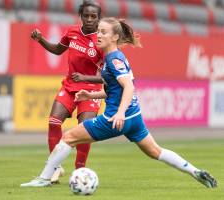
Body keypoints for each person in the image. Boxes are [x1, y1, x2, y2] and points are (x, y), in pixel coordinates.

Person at [20, 17, 217, 188]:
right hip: (134, 117)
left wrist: (120, 113)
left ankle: (45, 178)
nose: (98, 35)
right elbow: (115, 91)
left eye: (103, 32)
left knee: (68, 137)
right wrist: (90, 96)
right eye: (98, 31)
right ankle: (196, 172)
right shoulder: (110, 59)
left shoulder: (113, 59)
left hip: (115, 118)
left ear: (114, 37)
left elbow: (129, 87)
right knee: (156, 151)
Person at [30, 0, 103, 183]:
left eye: (93, 16)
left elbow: (107, 77)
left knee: (84, 129)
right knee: (54, 122)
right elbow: (57, 50)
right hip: (70, 86)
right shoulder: (72, 32)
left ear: (98, 19)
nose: (89, 19)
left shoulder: (101, 42)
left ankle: (80, 170)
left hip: (91, 90)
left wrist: (85, 78)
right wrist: (40, 39)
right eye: (85, 15)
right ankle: (55, 167)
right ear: (80, 16)